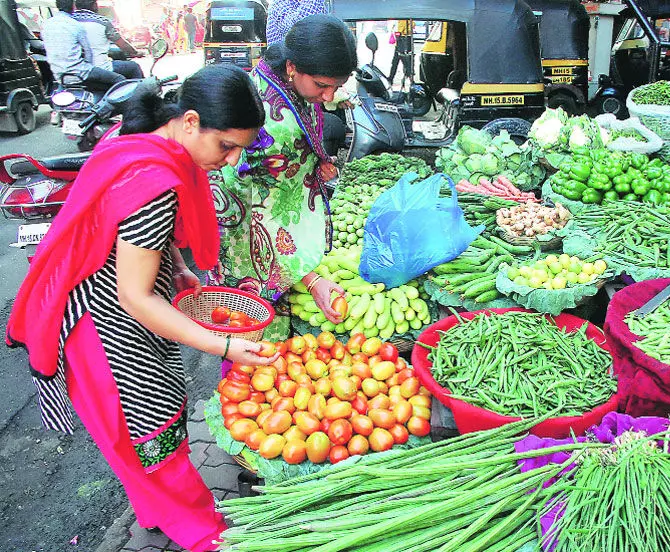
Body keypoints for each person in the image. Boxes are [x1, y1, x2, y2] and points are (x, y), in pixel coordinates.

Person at [6, 64, 268, 552]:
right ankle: (202, 533)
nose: (231, 161)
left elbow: (131, 239)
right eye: (226, 146)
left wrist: (176, 266)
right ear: (190, 122)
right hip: (105, 328)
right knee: (155, 431)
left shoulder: (143, 138)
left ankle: (152, 511)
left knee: (135, 436)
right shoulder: (156, 184)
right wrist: (223, 344)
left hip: (104, 308)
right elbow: (135, 295)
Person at [209, 15, 357, 347]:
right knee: (253, 343)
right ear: (293, 67)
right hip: (250, 246)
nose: (329, 95)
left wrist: (313, 166)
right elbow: (260, 210)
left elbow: (285, 167)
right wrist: (311, 278)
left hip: (280, 232)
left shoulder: (286, 81)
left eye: (337, 85)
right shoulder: (272, 125)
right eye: (322, 85)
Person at [42, 0, 126, 91]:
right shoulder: (75, 24)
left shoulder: (46, 25)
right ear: (73, 5)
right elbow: (88, 53)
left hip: (59, 75)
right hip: (81, 73)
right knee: (119, 79)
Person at [72, 0, 144, 80]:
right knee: (134, 67)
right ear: (94, 5)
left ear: (75, 5)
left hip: (74, 70)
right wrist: (135, 53)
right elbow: (122, 44)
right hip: (99, 68)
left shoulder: (68, 20)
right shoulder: (102, 21)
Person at [389, 19, 414, 86]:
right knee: (398, 62)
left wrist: (400, 31)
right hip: (401, 40)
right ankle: (391, 78)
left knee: (403, 62)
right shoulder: (403, 20)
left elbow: (407, 29)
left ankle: (391, 78)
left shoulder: (404, 19)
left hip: (403, 40)